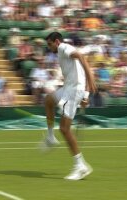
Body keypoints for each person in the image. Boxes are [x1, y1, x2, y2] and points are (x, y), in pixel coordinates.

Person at [42, 32, 96, 180]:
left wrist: (89, 87)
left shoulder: (64, 47)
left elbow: (81, 57)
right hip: (69, 88)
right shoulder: (62, 51)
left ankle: (80, 166)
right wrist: (86, 94)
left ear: (57, 42)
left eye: (50, 44)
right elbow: (79, 67)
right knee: (48, 100)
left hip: (73, 91)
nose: (49, 47)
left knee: (65, 129)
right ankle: (50, 136)